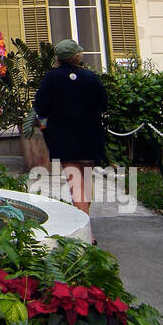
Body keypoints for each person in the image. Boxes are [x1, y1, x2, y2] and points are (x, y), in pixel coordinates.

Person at [34, 39, 108, 215]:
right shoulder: (91, 77)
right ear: (77, 56)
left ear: (58, 58)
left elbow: (40, 108)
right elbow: (103, 104)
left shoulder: (52, 77)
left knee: (76, 184)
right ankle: (85, 217)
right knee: (85, 181)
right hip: (90, 136)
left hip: (64, 138)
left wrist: (45, 129)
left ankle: (87, 231)